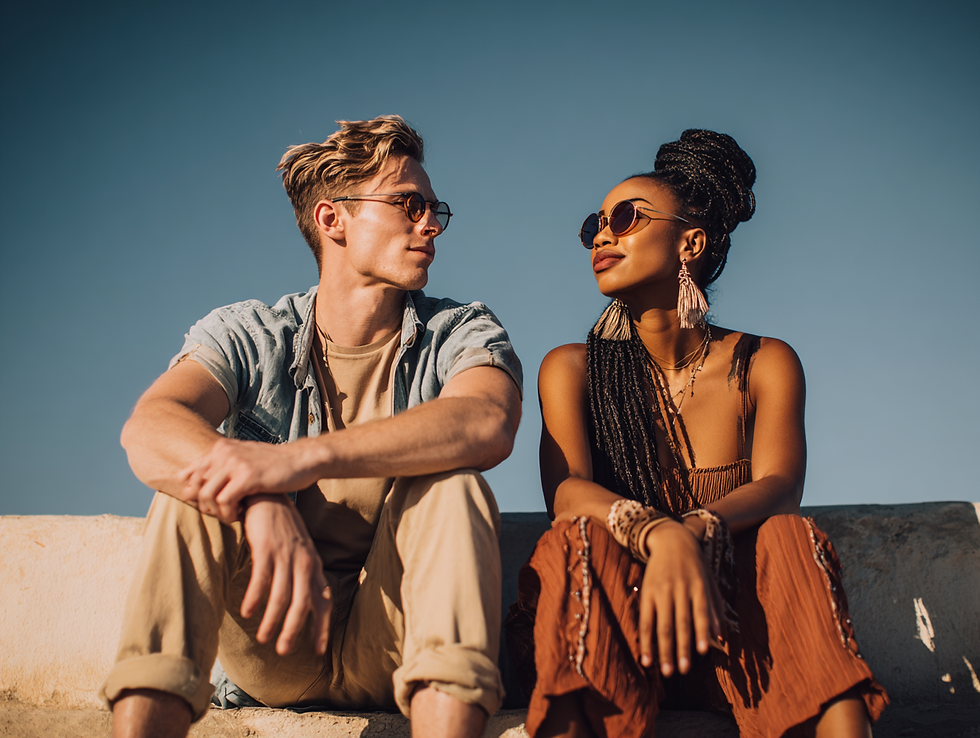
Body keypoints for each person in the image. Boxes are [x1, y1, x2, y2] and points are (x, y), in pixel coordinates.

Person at [99, 115, 523, 738]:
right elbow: (151, 428)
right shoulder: (251, 333)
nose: (429, 223)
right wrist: (259, 496)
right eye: (408, 204)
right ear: (333, 220)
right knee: (192, 497)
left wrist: (299, 460)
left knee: (452, 485)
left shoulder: (458, 330)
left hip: (398, 640)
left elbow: (487, 420)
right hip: (278, 637)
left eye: (435, 209)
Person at [506, 129, 887, 738]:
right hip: (611, 634)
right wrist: (659, 534)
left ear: (691, 241)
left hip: (730, 637)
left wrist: (699, 529)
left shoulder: (764, 362)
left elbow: (781, 486)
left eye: (627, 218)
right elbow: (567, 496)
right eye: (594, 225)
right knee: (579, 539)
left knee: (788, 536)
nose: (603, 235)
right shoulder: (572, 368)